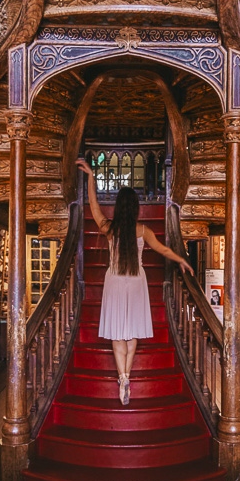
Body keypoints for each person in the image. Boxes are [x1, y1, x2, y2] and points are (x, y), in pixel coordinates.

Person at [76, 158, 194, 405]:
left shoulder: (109, 228)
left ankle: (122, 378)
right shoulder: (143, 230)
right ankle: (127, 375)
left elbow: (94, 206)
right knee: (131, 335)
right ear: (136, 209)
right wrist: (181, 260)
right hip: (136, 282)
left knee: (117, 335)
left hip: (115, 282)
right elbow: (163, 250)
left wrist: (90, 176)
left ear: (119, 207)